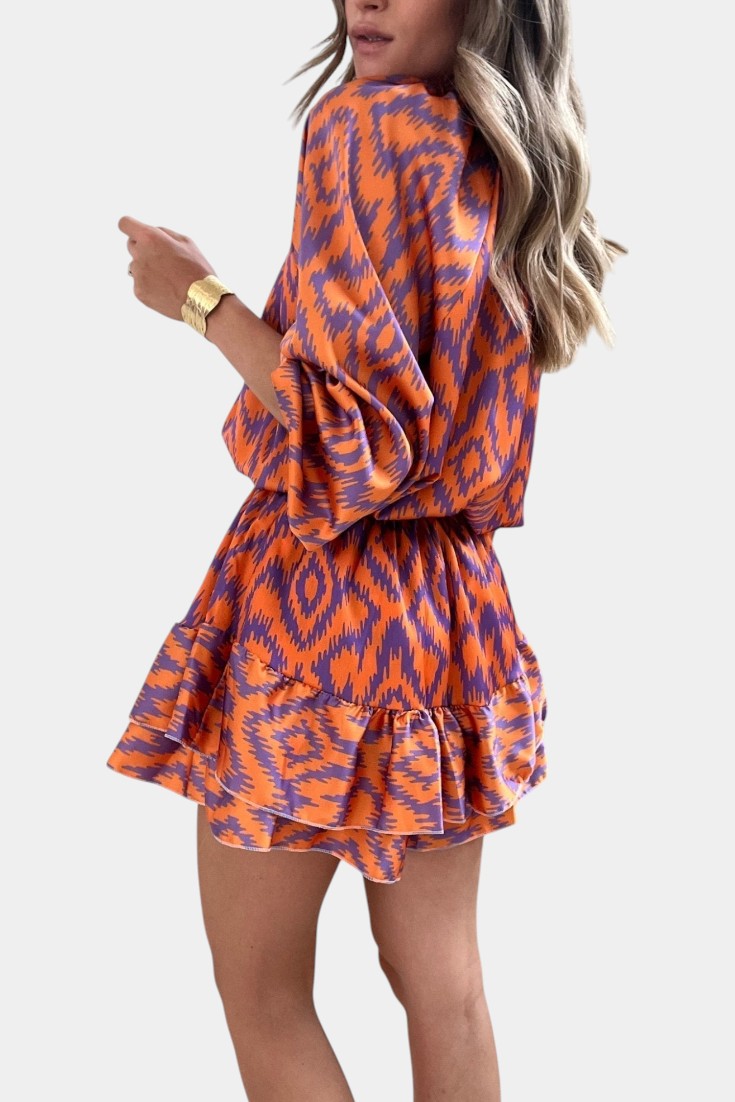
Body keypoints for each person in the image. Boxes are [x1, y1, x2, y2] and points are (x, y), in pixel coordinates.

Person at [109, 1, 625, 1098]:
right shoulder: (501, 152)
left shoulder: (367, 127)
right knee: (444, 985)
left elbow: (357, 443)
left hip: (323, 601)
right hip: (450, 608)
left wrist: (198, 297)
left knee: (263, 992)